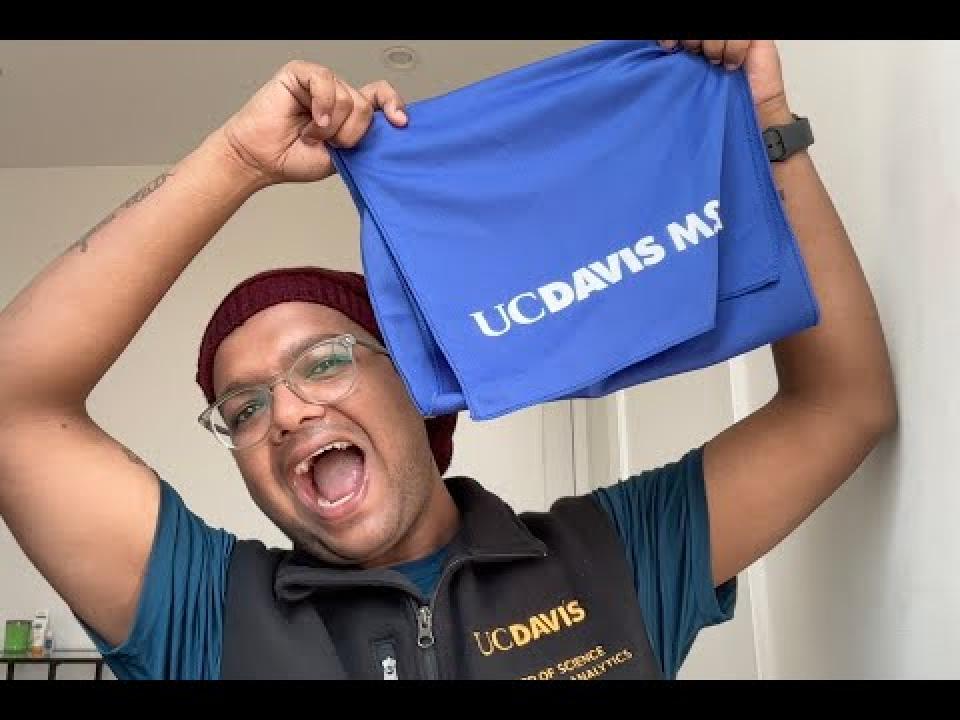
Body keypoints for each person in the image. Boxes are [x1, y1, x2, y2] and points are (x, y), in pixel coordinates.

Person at [0, 40, 896, 680]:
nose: (286, 412)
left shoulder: (618, 553)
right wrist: (236, 159)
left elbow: (842, 407)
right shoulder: (203, 615)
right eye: (243, 407)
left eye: (323, 363)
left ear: (418, 386)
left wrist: (766, 126)